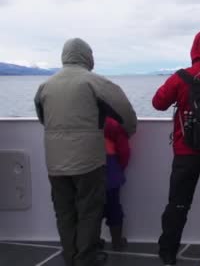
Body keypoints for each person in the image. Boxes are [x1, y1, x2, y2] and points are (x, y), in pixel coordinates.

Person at [34, 38, 137, 266]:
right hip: (89, 162)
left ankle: (70, 257)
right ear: (87, 57)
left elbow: (43, 118)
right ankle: (85, 259)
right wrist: (127, 132)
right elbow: (126, 114)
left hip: (55, 162)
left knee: (65, 212)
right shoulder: (95, 82)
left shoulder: (45, 86)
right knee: (90, 211)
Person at [153, 31, 200, 265]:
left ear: (193, 50)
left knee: (178, 203)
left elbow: (158, 103)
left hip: (185, 152)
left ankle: (168, 253)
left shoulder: (181, 77)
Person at [101, 116, 131, 251]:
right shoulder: (111, 123)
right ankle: (117, 242)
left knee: (89, 208)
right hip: (110, 166)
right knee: (113, 206)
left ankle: (91, 242)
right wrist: (119, 168)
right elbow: (124, 151)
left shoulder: (79, 119)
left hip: (86, 167)